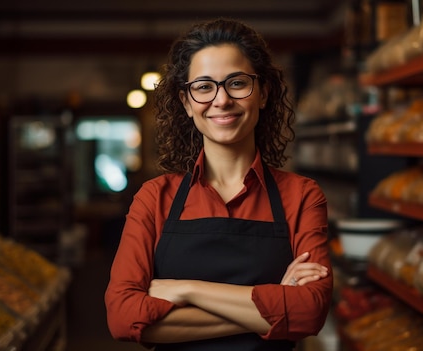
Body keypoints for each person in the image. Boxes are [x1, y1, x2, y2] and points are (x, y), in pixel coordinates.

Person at [105, 18, 333, 350]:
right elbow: (123, 318)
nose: (221, 100)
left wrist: (187, 290)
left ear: (264, 93)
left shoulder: (301, 196)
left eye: (237, 83)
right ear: (186, 102)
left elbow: (310, 313)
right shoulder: (155, 198)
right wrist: (275, 308)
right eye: (203, 86)